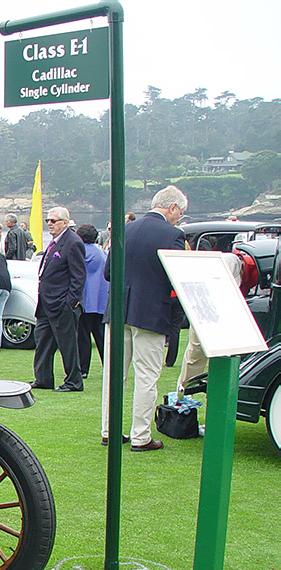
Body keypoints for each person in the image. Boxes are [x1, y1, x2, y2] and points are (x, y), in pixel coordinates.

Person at [100, 185, 188, 451]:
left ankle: (109, 430)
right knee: (147, 376)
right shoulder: (173, 235)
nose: (179, 219)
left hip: (117, 310)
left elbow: (108, 272)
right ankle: (140, 436)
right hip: (150, 313)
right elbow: (178, 277)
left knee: (113, 375)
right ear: (172, 207)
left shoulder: (124, 228)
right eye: (180, 213)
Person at [32, 206, 86, 392]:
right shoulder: (55, 242)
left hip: (62, 304)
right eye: (48, 220)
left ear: (65, 222)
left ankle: (73, 381)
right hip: (46, 303)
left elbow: (78, 276)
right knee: (42, 342)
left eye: (53, 221)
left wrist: (70, 303)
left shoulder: (73, 242)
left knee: (67, 344)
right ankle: (43, 378)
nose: (49, 224)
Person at [176, 250, 244, 395]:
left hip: (218, 315)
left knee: (221, 359)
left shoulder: (231, 265)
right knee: (195, 354)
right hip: (204, 314)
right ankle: (182, 397)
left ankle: (217, 395)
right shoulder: (216, 273)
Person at [76, 224, 109, 379]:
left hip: (87, 299)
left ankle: (83, 368)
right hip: (101, 299)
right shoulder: (100, 251)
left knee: (83, 336)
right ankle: (108, 366)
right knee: (101, 336)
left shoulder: (82, 251)